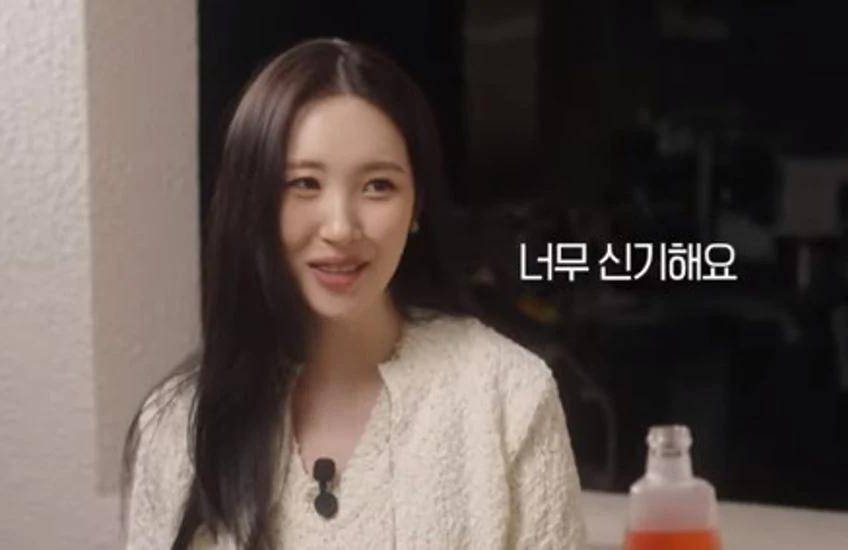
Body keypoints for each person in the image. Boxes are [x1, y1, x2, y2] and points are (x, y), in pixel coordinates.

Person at [122, 37, 586, 549]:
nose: (341, 227)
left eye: (378, 186)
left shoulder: (508, 396)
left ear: (416, 205)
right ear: (254, 201)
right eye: (304, 183)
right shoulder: (178, 424)